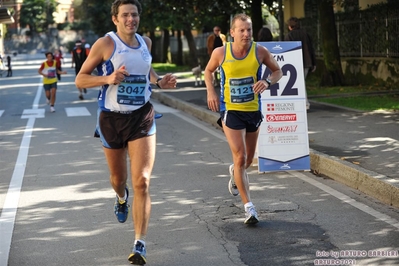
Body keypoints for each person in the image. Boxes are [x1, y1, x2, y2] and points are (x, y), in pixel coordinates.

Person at [75, 0, 177, 264]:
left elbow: (146, 71)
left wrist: (158, 81)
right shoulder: (106, 44)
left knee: (142, 180)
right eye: (125, 15)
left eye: (134, 15)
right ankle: (121, 198)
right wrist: (107, 79)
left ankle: (139, 243)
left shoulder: (146, 43)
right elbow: (81, 78)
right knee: (118, 179)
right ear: (115, 19)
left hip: (141, 117)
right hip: (111, 119)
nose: (130, 19)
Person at [205, 13, 282, 225]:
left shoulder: (259, 51)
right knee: (240, 156)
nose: (246, 33)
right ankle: (249, 208)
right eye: (241, 30)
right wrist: (211, 91)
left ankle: (234, 172)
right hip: (231, 110)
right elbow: (208, 71)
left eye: (249, 29)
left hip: (253, 110)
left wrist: (266, 81)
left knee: (247, 161)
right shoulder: (221, 52)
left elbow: (278, 71)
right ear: (232, 33)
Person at [284, 17, 316, 110]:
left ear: (290, 26)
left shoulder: (289, 36)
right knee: (301, 82)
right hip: (307, 62)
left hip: (294, 63)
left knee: (299, 83)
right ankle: (304, 103)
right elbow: (311, 49)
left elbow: (287, 51)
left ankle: (304, 104)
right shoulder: (305, 34)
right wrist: (314, 63)